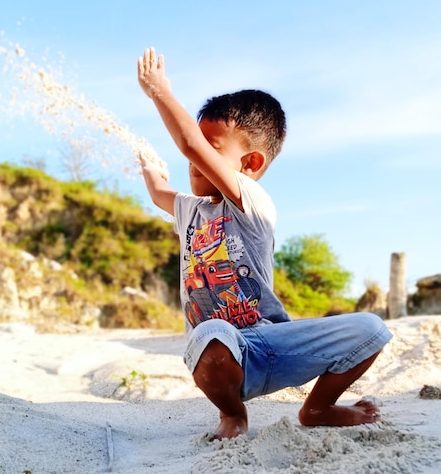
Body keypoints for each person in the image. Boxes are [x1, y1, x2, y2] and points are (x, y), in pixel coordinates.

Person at [137, 47, 393, 440]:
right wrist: (148, 164)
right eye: (198, 148)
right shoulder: (190, 210)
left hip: (274, 342)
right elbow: (158, 193)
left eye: (212, 149)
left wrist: (159, 92)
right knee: (209, 334)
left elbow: (190, 145)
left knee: (372, 328)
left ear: (250, 164)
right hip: (224, 354)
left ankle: (319, 408)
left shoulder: (252, 202)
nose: (195, 160)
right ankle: (233, 414)